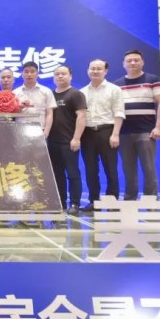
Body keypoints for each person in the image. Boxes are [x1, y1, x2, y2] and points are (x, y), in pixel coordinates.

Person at [113, 49, 160, 200]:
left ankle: (151, 201)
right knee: (128, 169)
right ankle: (130, 200)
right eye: (129, 61)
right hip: (124, 133)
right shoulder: (117, 84)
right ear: (123, 64)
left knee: (149, 168)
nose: (132, 63)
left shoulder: (152, 80)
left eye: (136, 60)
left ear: (142, 62)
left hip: (146, 132)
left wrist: (158, 127)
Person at [80, 59, 125, 212]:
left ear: (105, 71)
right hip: (87, 133)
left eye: (99, 69)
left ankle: (112, 202)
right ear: (88, 70)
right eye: (92, 68)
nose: (95, 71)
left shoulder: (114, 90)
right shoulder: (82, 92)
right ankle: (94, 201)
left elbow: (119, 112)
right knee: (91, 169)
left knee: (110, 168)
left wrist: (115, 134)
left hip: (108, 131)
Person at [47, 66, 87, 215]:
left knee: (72, 173)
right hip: (52, 141)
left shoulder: (76, 94)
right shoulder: (50, 95)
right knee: (57, 174)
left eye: (63, 74)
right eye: (57, 74)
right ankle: (61, 202)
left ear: (70, 76)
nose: (60, 76)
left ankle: (75, 203)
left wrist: (76, 138)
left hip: (69, 141)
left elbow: (82, 116)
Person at [14, 61, 56, 139]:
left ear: (37, 74)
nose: (29, 74)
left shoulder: (46, 91)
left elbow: (49, 114)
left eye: (32, 71)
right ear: (22, 74)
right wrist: (19, 108)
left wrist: (46, 132)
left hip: (39, 130)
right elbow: (12, 114)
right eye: (26, 72)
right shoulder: (15, 92)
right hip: (20, 130)